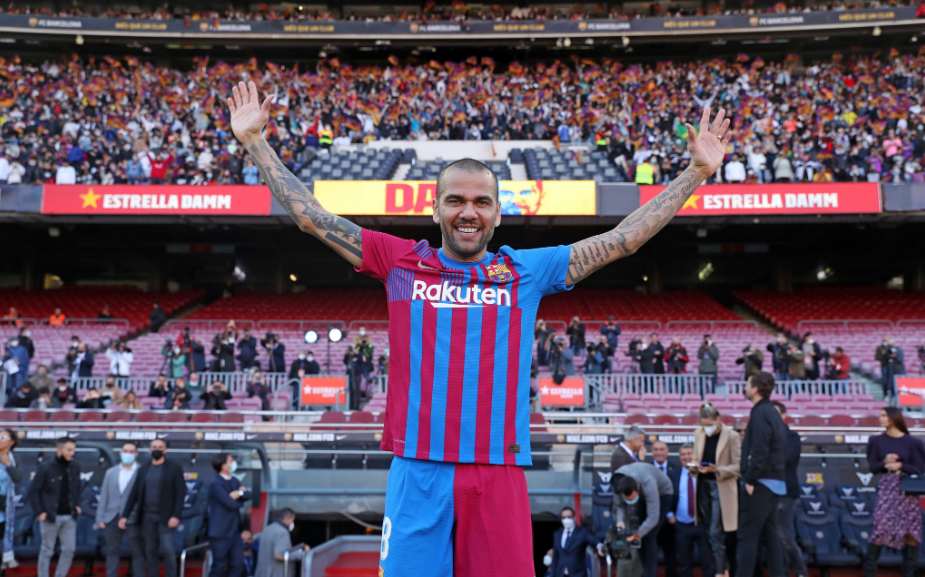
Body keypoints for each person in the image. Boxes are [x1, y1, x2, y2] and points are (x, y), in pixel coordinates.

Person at [227, 79, 729, 576]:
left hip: (496, 469)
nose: (468, 212)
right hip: (417, 468)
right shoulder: (400, 262)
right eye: (456, 200)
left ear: (497, 213)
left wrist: (696, 173)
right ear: (435, 209)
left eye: (482, 202)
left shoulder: (524, 272)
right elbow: (312, 217)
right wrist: (254, 141)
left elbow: (623, 240)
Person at [863, 407, 925, 577]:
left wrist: (901, 465)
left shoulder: (913, 442)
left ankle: (909, 573)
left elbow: (920, 469)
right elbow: (873, 468)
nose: (880, 418)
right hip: (887, 487)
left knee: (911, 532)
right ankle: (869, 572)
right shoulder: (876, 441)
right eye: (880, 415)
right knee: (880, 529)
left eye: (883, 415)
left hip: (907, 490)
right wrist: (885, 462)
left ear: (893, 417)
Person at [736, 372, 786, 577]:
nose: (745, 387)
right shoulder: (771, 411)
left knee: (747, 536)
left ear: (755, 389)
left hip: (761, 483)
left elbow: (760, 449)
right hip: (772, 482)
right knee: (770, 536)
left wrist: (750, 479)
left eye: (748, 384)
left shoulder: (760, 412)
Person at [118, 439, 186, 577]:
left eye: (160, 447)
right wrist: (125, 515)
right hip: (147, 517)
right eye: (154, 447)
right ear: (149, 450)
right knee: (150, 551)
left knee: (168, 550)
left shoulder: (174, 468)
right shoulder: (143, 469)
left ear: (165, 450)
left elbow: (180, 494)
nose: (157, 449)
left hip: (166, 517)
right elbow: (134, 493)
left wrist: (176, 515)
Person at [693, 403, 740, 577]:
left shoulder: (732, 436)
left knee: (715, 531)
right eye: (704, 424)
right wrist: (694, 466)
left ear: (718, 419)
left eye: (710, 424)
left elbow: (738, 467)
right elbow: (696, 458)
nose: (707, 428)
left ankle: (721, 571)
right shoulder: (698, 434)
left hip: (721, 487)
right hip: (702, 485)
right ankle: (723, 568)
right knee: (709, 531)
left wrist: (717, 470)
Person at [28, 437, 81, 577]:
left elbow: (78, 488)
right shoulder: (45, 468)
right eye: (69, 450)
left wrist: (78, 505)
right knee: (47, 550)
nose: (72, 453)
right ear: (59, 450)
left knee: (69, 550)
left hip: (69, 516)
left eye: (73, 450)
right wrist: (39, 511)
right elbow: (33, 491)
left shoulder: (75, 467)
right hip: (50, 516)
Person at [613, 462, 675, 577]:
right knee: (639, 536)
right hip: (641, 495)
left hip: (663, 493)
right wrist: (620, 520)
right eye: (627, 499)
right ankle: (642, 571)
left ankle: (649, 574)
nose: (630, 502)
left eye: (632, 499)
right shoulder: (617, 481)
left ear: (637, 487)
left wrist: (637, 534)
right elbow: (619, 505)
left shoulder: (648, 483)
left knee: (648, 535)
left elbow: (653, 518)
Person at [770, 401, 808, 577]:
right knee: (771, 538)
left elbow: (785, 460)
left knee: (783, 536)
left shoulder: (792, 436)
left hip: (785, 492)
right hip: (765, 492)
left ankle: (801, 572)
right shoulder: (762, 435)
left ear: (784, 415)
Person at [96, 442, 144, 577]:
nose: (128, 454)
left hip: (133, 518)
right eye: (125, 451)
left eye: (131, 451)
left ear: (136, 454)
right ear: (121, 453)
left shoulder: (142, 471)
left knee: (137, 551)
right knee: (111, 551)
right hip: (111, 517)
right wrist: (100, 518)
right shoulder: (111, 472)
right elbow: (104, 496)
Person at [670, 444, 715, 577]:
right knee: (684, 564)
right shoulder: (673, 474)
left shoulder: (704, 473)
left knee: (708, 562)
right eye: (683, 454)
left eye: (689, 453)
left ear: (695, 456)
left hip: (702, 525)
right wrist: (669, 514)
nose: (686, 457)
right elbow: (667, 496)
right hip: (681, 525)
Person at [208, 454, 251, 577]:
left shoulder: (234, 480)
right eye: (231, 461)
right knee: (218, 566)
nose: (233, 463)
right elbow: (230, 504)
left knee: (238, 563)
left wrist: (239, 493)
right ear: (223, 466)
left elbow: (248, 495)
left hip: (234, 531)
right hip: (220, 532)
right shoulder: (216, 483)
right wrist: (240, 497)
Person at [548, 506, 605, 577]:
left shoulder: (582, 532)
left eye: (569, 517)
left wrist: (600, 546)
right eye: (564, 517)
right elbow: (555, 558)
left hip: (578, 574)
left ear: (574, 518)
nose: (566, 520)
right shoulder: (558, 534)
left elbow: (593, 540)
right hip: (560, 574)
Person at [649, 441, 678, 577]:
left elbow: (677, 494)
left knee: (671, 557)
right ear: (652, 452)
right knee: (649, 557)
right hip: (651, 522)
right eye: (656, 449)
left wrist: (671, 513)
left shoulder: (676, 468)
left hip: (670, 524)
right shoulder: (647, 468)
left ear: (667, 452)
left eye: (662, 449)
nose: (659, 452)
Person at [254, 508, 309, 577]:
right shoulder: (282, 532)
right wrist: (301, 553)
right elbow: (279, 554)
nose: (292, 523)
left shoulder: (267, 529)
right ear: (288, 519)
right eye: (292, 520)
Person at [876, 336, 904, 401]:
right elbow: (877, 357)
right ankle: (886, 395)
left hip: (893, 367)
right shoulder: (881, 348)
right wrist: (884, 354)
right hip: (885, 366)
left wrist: (894, 356)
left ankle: (893, 395)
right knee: (885, 381)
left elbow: (899, 358)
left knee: (893, 381)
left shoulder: (897, 349)